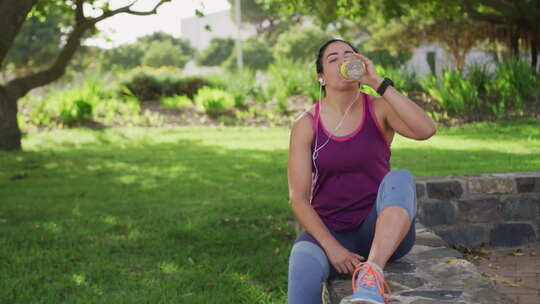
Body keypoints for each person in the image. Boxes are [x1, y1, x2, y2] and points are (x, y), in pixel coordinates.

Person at [287, 39, 436, 304]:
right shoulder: (306, 125)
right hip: (330, 231)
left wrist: (378, 82)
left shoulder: (379, 108)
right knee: (301, 266)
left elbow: (426, 130)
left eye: (349, 54)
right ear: (321, 77)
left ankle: (371, 277)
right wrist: (332, 248)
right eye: (333, 59)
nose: (344, 60)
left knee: (400, 177)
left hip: (380, 231)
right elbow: (298, 198)